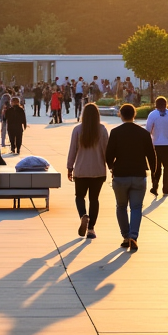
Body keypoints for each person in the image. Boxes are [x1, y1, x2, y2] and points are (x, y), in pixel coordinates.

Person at [106, 103, 157, 251]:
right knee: (136, 207)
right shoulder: (143, 133)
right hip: (139, 174)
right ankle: (133, 236)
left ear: (121, 115)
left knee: (121, 206)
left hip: (120, 175)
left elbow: (108, 154)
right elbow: (151, 155)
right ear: (134, 115)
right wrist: (154, 172)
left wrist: (112, 167)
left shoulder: (115, 132)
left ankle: (126, 236)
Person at [67, 102, 110, 240]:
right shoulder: (102, 130)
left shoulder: (77, 130)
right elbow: (107, 151)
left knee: (80, 196)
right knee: (94, 199)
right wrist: (111, 167)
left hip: (81, 170)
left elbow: (72, 150)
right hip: (98, 171)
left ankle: (83, 216)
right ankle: (91, 229)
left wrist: (69, 167)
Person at [145, 96, 168, 197]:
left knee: (156, 167)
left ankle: (155, 186)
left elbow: (148, 130)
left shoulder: (152, 115)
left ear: (156, 105)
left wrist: (147, 143)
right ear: (166, 104)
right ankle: (166, 188)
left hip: (156, 144)